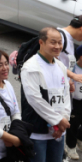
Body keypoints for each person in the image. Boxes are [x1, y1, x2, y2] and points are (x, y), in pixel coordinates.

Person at [21, 27, 71, 162]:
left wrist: (63, 120)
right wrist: (57, 121)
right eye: (53, 42)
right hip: (38, 133)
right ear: (41, 43)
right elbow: (35, 100)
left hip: (58, 132)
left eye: (60, 42)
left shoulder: (60, 66)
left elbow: (66, 96)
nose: (57, 46)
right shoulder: (30, 67)